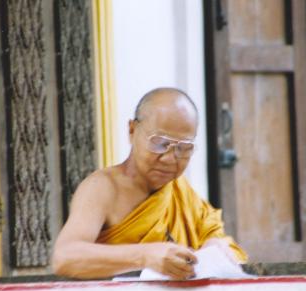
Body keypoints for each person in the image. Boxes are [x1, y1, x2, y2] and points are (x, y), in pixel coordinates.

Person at [52, 87, 247, 280]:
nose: (171, 159)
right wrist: (145, 256)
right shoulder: (103, 188)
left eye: (183, 148)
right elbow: (65, 257)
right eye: (160, 143)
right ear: (132, 130)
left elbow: (213, 236)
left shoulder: (180, 190)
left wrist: (214, 246)